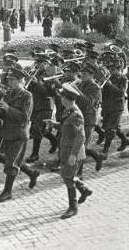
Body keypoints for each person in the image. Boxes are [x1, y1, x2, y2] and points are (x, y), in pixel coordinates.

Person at [0, 68, 33, 203]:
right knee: (12, 159)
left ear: (21, 81)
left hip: (19, 133)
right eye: (9, 80)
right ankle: (32, 173)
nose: (10, 82)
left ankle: (7, 192)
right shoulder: (9, 94)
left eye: (13, 80)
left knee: (11, 163)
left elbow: (24, 117)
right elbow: (5, 113)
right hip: (8, 131)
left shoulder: (27, 95)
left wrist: (7, 109)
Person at [58, 82, 93, 219]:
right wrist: (55, 125)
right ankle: (84, 190)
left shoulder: (76, 114)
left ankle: (73, 207)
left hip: (74, 152)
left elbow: (81, 136)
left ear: (66, 98)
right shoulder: (68, 111)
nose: (60, 99)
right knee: (67, 175)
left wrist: (73, 155)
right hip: (66, 149)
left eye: (62, 97)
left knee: (68, 178)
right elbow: (68, 128)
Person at [100, 57, 129, 156]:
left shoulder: (123, 79)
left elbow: (121, 93)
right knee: (115, 127)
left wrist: (110, 85)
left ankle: (106, 150)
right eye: (110, 69)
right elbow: (104, 93)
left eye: (113, 69)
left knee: (110, 130)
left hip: (117, 107)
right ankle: (124, 140)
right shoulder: (110, 77)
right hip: (108, 106)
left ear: (119, 69)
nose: (111, 71)